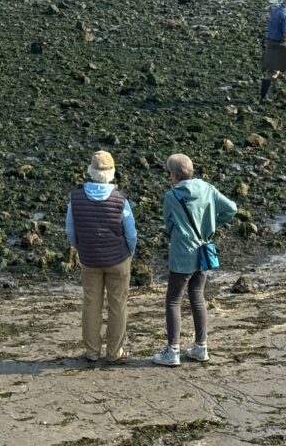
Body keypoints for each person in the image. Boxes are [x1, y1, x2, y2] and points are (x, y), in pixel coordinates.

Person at [152, 154, 236, 366]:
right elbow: (232, 208)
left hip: (182, 252)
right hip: (203, 249)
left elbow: (169, 225)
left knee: (173, 300)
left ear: (173, 174)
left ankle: (173, 351)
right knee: (197, 296)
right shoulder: (207, 188)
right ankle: (201, 346)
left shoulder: (172, 196)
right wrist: (213, 224)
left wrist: (179, 235)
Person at [65, 150, 137, 363]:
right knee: (118, 305)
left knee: (91, 303)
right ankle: (114, 353)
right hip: (118, 258)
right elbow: (131, 233)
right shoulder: (120, 199)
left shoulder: (75, 198)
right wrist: (129, 253)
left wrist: (80, 247)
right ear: (112, 173)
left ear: (90, 171)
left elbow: (70, 230)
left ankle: (92, 352)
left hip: (89, 258)